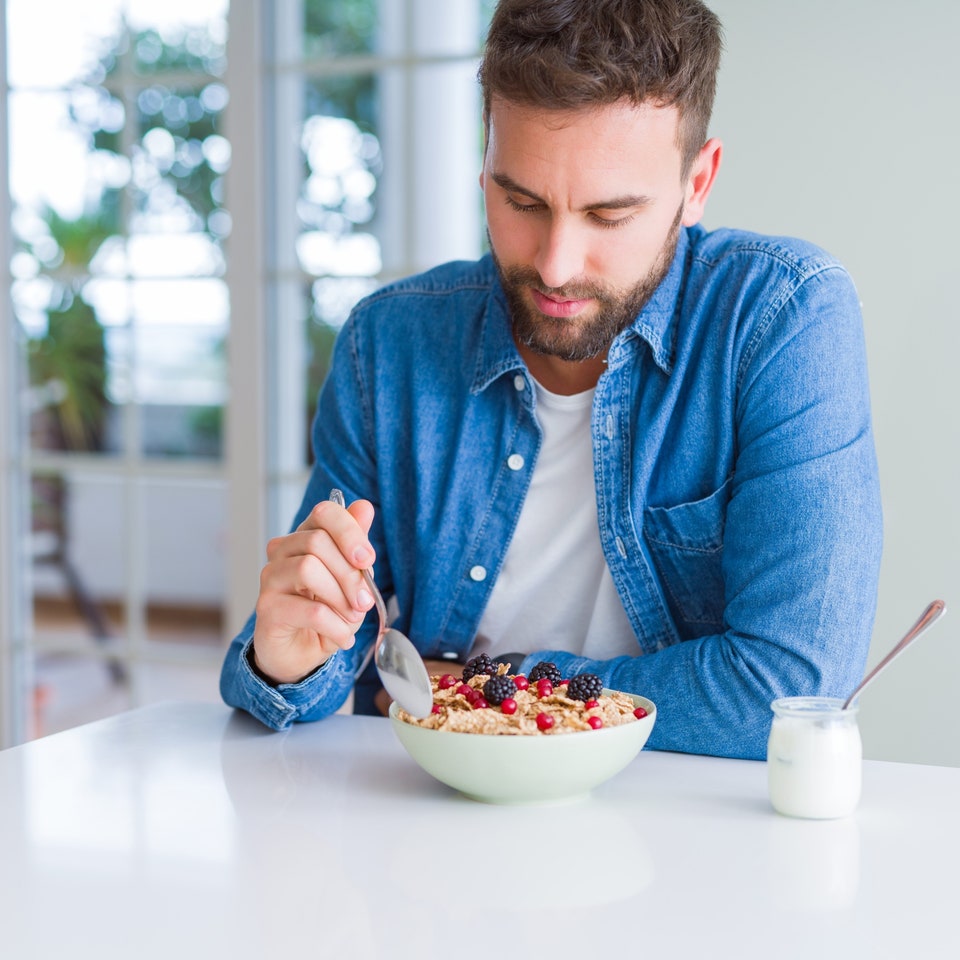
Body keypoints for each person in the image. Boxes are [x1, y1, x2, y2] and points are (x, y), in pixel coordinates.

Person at [220, 0, 882, 760]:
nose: (558, 264)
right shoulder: (389, 342)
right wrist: (289, 655)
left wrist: (481, 688)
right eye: (521, 201)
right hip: (434, 822)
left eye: (609, 215)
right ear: (486, 159)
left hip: (691, 839)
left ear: (698, 182)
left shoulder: (781, 320)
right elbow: (316, 663)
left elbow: (792, 691)